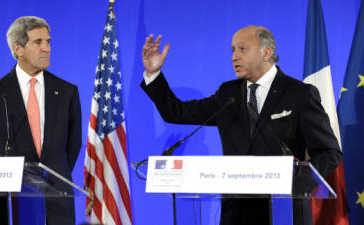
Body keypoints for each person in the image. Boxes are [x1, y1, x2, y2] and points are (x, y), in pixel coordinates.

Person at [140, 25, 342, 225]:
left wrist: (296, 185)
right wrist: (153, 74)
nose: (234, 57)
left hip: (283, 212)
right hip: (235, 213)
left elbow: (329, 151)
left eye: (242, 49)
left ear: (267, 52)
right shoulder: (228, 93)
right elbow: (176, 113)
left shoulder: (299, 93)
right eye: (233, 50)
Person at [0, 16, 82, 225]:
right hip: (10, 208)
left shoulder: (67, 92)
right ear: (18, 48)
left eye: (48, 41)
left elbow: (72, 147)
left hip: (57, 206)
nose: (46, 48)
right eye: (37, 42)